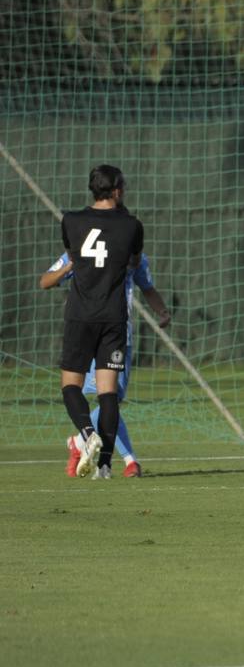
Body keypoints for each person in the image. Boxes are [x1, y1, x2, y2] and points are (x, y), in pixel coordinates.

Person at [43, 247, 168, 479]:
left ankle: (80, 441)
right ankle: (127, 461)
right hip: (86, 331)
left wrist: (162, 310)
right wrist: (68, 267)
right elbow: (46, 279)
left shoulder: (135, 255)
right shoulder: (82, 249)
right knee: (105, 397)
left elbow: (147, 287)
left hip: (120, 335)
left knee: (112, 399)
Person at [56, 165, 146, 479]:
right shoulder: (133, 226)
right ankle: (105, 465)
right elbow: (133, 262)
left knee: (71, 386)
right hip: (113, 317)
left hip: (80, 315)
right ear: (117, 190)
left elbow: (72, 256)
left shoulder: (70, 220)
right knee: (108, 394)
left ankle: (86, 432)